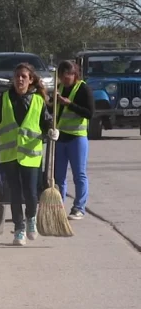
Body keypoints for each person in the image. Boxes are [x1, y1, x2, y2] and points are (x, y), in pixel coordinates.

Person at [0, 63, 58, 246]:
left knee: (31, 193)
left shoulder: (38, 101)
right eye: (17, 76)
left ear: (31, 80)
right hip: (9, 154)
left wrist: (51, 130)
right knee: (15, 194)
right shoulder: (4, 98)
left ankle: (31, 218)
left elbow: (46, 121)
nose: (20, 80)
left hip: (31, 155)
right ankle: (19, 229)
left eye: (23, 77)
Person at [54, 60, 93, 220]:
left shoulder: (83, 89)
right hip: (60, 137)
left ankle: (79, 207)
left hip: (77, 137)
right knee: (59, 176)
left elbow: (90, 113)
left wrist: (70, 104)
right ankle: (58, 206)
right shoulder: (60, 88)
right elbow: (53, 110)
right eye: (62, 76)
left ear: (74, 74)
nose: (65, 79)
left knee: (79, 174)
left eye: (68, 75)